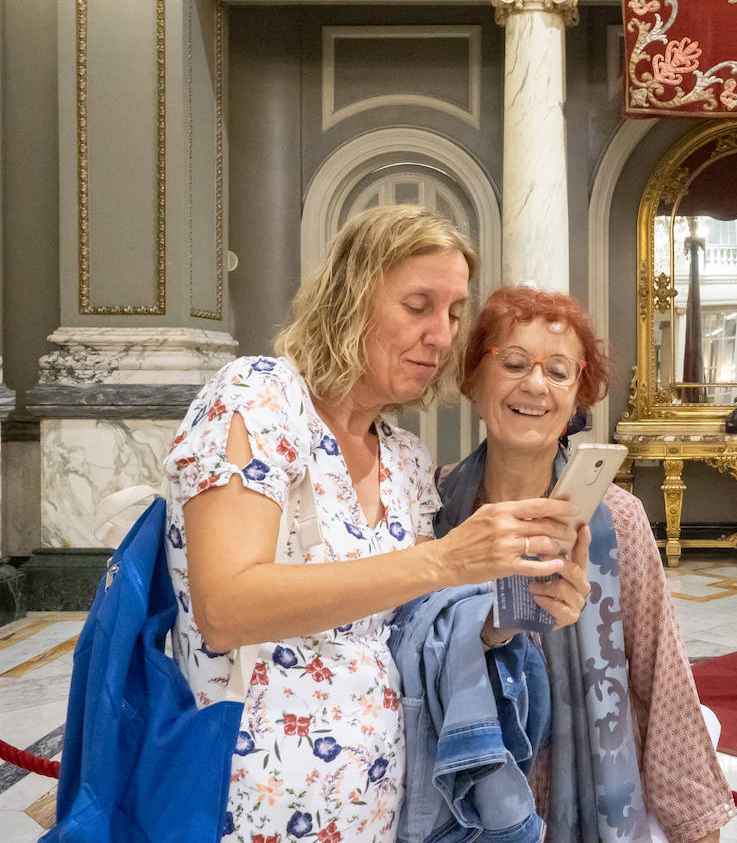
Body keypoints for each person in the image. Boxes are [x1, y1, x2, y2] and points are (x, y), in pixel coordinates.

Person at [163, 206, 586, 843]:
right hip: (244, 803)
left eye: (451, 312)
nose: (442, 336)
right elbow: (225, 608)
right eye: (418, 305)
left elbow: (422, 627)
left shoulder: (405, 459)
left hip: (381, 807)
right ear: (348, 299)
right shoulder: (259, 397)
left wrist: (513, 614)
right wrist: (445, 561)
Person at [434, 286, 736, 843]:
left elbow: (660, 678)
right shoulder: (434, 505)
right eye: (514, 362)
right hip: (460, 797)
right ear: (475, 381)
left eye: (558, 371)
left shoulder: (616, 519)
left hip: (584, 800)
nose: (534, 385)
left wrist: (694, 826)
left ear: (577, 398)